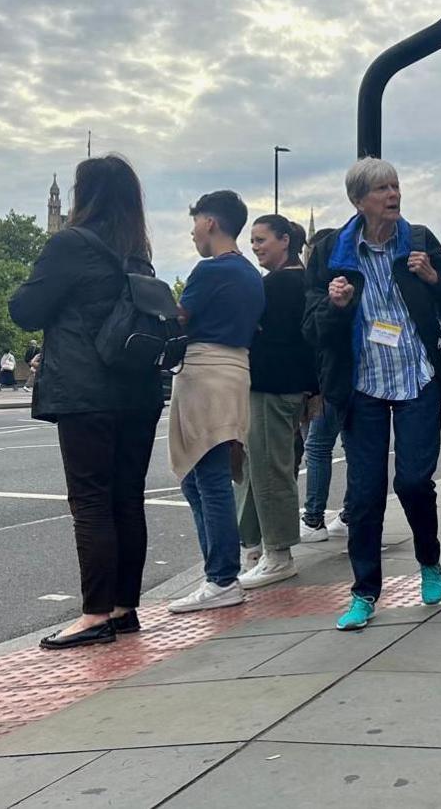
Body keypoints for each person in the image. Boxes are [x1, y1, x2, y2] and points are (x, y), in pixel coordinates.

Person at [305, 158, 441, 630]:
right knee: (363, 494)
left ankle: (430, 562)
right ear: (359, 200)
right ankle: (363, 592)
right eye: (382, 188)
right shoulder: (329, 254)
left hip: (416, 377)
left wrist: (433, 278)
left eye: (396, 185)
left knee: (414, 482)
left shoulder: (418, 241)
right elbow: (312, 326)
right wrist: (336, 307)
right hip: (362, 385)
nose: (393, 194)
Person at [9, 154, 165, 649]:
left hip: (86, 391)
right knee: (127, 499)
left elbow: (25, 308)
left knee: (92, 502)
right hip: (138, 392)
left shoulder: (69, 244)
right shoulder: (138, 254)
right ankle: (124, 609)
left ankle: (95, 614)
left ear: (84, 195)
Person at [167, 190, 265, 613]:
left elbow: (178, 320)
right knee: (200, 476)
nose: (192, 234)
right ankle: (220, 572)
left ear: (210, 223)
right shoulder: (248, 273)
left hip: (205, 372)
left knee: (206, 476)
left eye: (195, 224)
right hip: (234, 372)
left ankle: (221, 578)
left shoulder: (209, 271)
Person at [234, 215, 318, 589]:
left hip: (272, 387)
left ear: (286, 241)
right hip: (286, 388)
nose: (255, 246)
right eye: (252, 240)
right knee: (261, 467)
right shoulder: (301, 283)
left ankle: (277, 554)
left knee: (270, 470)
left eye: (261, 239)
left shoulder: (279, 285)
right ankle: (257, 549)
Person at [298, 226, 350, 543]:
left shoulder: (324, 291)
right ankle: (348, 514)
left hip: (330, 381)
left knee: (317, 447)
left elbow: (316, 337)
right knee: (353, 449)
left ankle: (314, 517)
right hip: (335, 380)